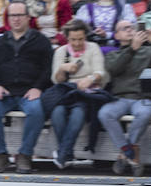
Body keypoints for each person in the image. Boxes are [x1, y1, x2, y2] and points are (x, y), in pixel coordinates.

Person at [0, 0, 53, 173]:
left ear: (28, 17)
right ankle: (0, 156)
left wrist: (38, 87)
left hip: (29, 93)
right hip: (3, 93)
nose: (16, 19)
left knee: (36, 111)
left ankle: (25, 155)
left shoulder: (41, 41)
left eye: (20, 15)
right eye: (12, 15)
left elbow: (48, 68)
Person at [98, 17, 151, 174]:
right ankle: (130, 151)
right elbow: (114, 69)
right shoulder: (113, 54)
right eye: (124, 28)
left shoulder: (148, 51)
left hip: (143, 98)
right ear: (116, 35)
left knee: (145, 112)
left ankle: (125, 153)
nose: (130, 30)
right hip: (120, 98)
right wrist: (132, 49)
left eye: (131, 27)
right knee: (105, 113)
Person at [44, 19, 108, 168]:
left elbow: (100, 72)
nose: (77, 43)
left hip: (86, 93)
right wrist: (62, 69)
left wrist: (90, 78)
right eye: (73, 39)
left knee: (78, 114)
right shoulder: (61, 51)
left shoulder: (93, 48)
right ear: (67, 38)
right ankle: (67, 153)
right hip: (66, 92)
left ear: (85, 36)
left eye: (80, 39)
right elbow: (56, 80)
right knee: (57, 113)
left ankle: (62, 154)